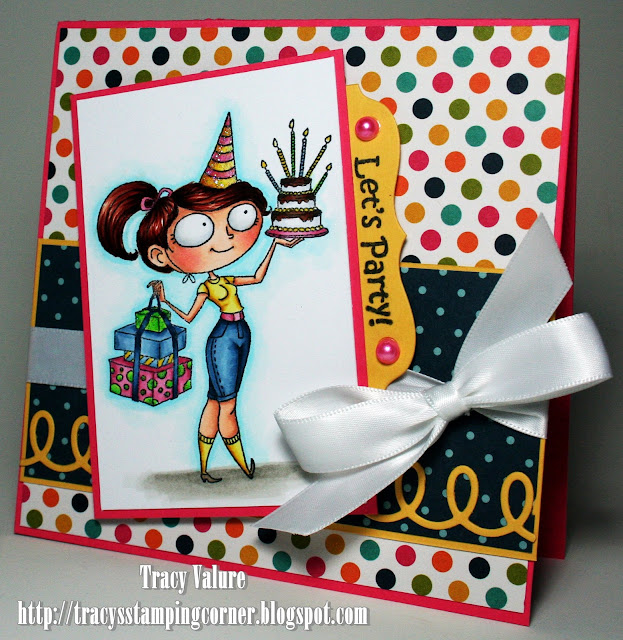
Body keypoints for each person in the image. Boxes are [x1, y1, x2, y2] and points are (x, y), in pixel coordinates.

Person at [96, 114, 301, 483]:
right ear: (161, 255)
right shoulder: (206, 287)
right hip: (224, 338)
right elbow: (190, 317)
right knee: (228, 405)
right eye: (197, 230)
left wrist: (274, 242)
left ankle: (205, 467)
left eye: (240, 217)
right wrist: (163, 298)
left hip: (241, 334)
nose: (226, 238)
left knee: (214, 401)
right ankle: (242, 465)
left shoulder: (226, 279)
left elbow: (257, 276)